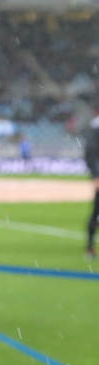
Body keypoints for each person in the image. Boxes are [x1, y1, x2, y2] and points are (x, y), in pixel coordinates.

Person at [85, 108, 98, 259]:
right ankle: (90, 247)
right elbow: (91, 153)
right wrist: (96, 175)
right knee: (96, 212)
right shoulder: (96, 129)